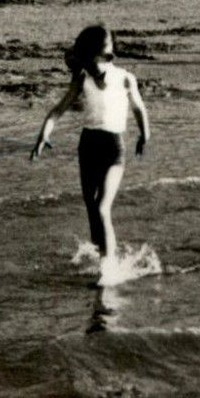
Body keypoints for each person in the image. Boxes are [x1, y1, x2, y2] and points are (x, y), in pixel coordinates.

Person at [31, 25, 150, 269]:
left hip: (114, 149)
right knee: (91, 206)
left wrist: (144, 134)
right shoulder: (83, 79)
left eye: (95, 66)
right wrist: (43, 134)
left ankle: (109, 269)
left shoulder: (125, 79)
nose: (92, 71)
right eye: (87, 65)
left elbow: (138, 108)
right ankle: (101, 254)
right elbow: (58, 109)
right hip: (88, 146)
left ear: (108, 58)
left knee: (102, 207)